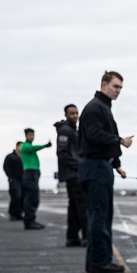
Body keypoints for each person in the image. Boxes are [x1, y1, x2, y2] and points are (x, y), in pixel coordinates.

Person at [79, 71, 134, 273]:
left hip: (101, 165)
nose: (118, 91)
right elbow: (94, 135)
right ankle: (98, 261)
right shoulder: (96, 107)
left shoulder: (102, 107)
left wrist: (116, 163)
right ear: (104, 85)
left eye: (120, 87)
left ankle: (100, 259)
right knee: (99, 216)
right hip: (95, 167)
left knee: (102, 215)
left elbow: (101, 138)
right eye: (115, 86)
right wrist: (120, 141)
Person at [55, 104, 88, 247]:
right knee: (82, 205)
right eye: (72, 113)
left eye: (76, 113)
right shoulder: (65, 130)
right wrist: (79, 165)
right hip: (73, 174)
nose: (75, 116)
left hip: (74, 173)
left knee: (74, 206)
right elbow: (62, 153)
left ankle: (72, 237)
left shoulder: (74, 130)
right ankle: (86, 235)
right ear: (66, 115)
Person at [19, 128, 51, 230]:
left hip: (33, 174)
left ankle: (31, 219)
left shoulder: (28, 147)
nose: (32, 137)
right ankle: (29, 220)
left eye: (33, 135)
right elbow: (34, 148)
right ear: (26, 136)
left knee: (33, 198)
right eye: (30, 135)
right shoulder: (25, 147)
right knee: (31, 198)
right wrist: (45, 146)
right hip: (30, 174)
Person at [3, 141, 24, 221]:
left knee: (22, 196)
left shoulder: (24, 156)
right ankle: (12, 213)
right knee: (16, 195)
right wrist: (10, 176)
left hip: (23, 179)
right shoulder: (10, 156)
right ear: (17, 147)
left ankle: (19, 213)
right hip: (14, 179)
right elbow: (6, 167)